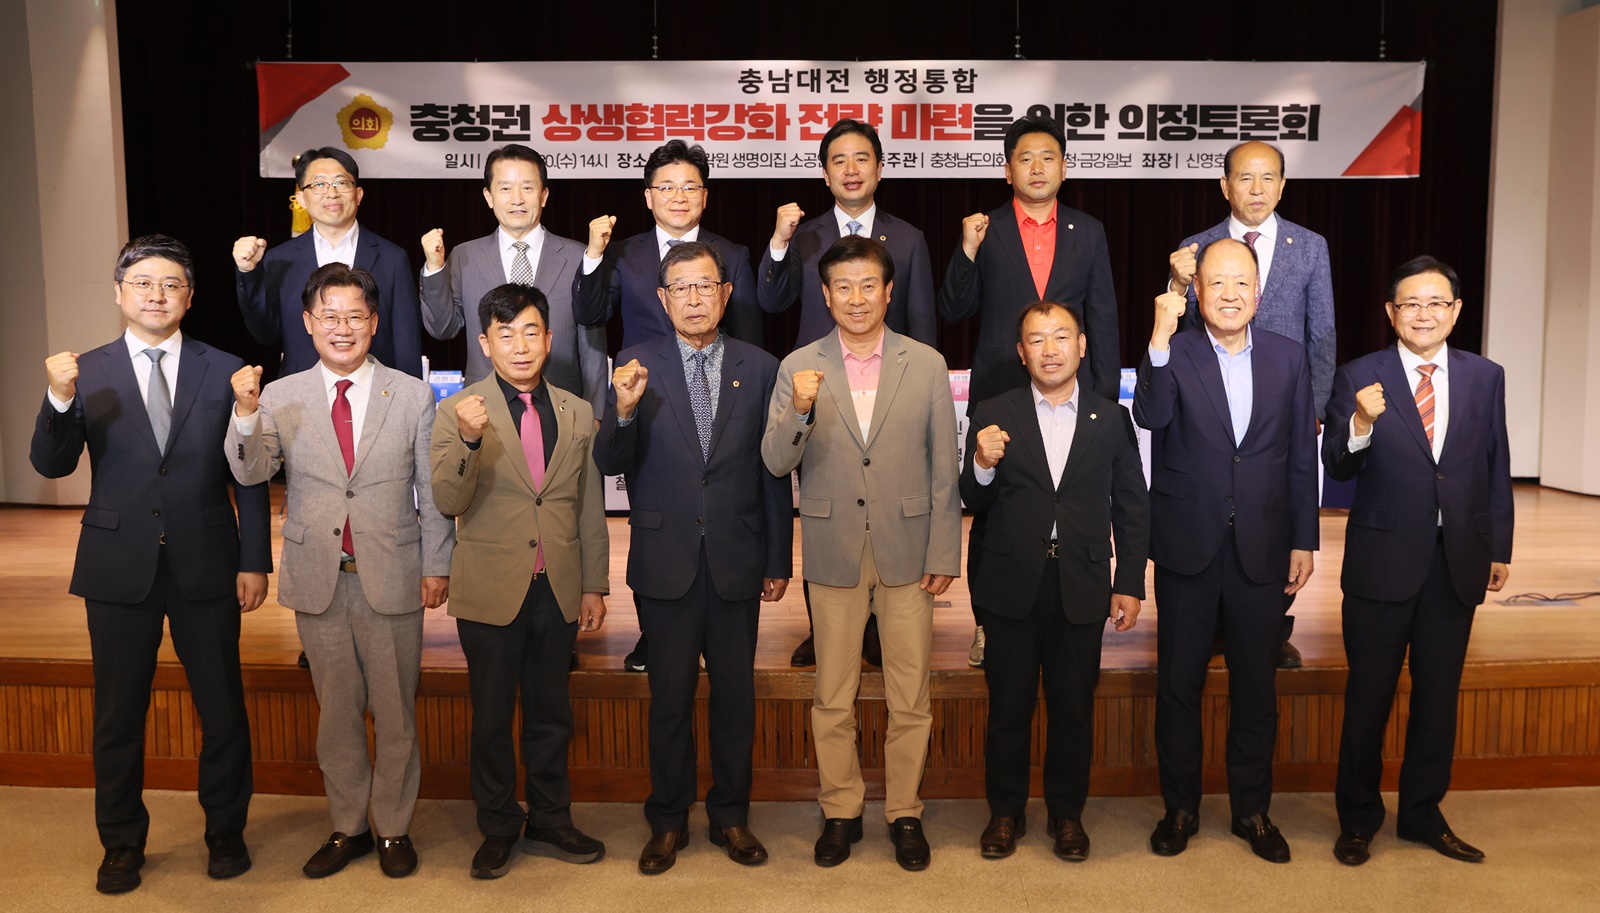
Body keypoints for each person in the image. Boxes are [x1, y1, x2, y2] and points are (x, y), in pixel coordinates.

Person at [30, 234, 272, 894]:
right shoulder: (84, 371)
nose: (156, 295)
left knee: (222, 709)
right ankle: (121, 841)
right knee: (118, 714)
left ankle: (225, 830)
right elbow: (51, 464)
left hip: (208, 560)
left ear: (189, 297)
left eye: (170, 284)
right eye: (143, 283)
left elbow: (248, 474)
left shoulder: (225, 368)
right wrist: (57, 399)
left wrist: (255, 559)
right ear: (119, 293)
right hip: (117, 563)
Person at [225, 263, 454, 879]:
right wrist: (244, 414)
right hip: (318, 577)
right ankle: (349, 827)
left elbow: (432, 491)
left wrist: (438, 563)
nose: (343, 328)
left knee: (396, 713)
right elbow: (251, 471)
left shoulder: (411, 394)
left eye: (356, 315)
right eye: (329, 316)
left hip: (394, 571)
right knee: (337, 714)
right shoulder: (280, 395)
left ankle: (394, 828)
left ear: (374, 322)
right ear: (308, 323)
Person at [762, 235, 961, 872]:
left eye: (868, 285)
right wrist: (799, 410)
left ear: (889, 291)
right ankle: (841, 810)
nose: (856, 298)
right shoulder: (798, 365)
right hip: (833, 548)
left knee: (910, 696)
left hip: (909, 549)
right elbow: (775, 460)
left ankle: (905, 813)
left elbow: (944, 466)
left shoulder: (925, 363)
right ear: (825, 295)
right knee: (833, 694)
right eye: (842, 287)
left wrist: (944, 550)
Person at [592, 241, 792, 874]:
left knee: (735, 698)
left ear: (726, 294)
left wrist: (778, 558)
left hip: (737, 556)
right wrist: (623, 412)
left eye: (706, 286)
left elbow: (773, 471)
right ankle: (668, 821)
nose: (695, 298)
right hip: (666, 558)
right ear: (662, 298)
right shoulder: (635, 363)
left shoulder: (762, 367)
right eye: (681, 288)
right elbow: (609, 462)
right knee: (670, 700)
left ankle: (731, 815)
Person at [1133, 238, 1318, 863]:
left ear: (1259, 293)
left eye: (1242, 283)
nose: (1230, 294)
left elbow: (1300, 456)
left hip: (1263, 547)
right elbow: (1151, 416)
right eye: (1216, 283)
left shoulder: (1289, 357)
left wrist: (1304, 538)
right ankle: (1180, 808)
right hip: (1187, 544)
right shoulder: (1175, 351)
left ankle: (1251, 811)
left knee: (1256, 688)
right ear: (1197, 292)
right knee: (1178, 685)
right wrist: (1159, 338)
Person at [1323, 256, 1513, 866]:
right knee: (1369, 696)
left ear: (1456, 311)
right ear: (1391, 312)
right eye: (1410, 303)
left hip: (1456, 560)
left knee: (1438, 696)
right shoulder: (1359, 374)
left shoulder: (1485, 376)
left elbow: (1495, 464)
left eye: (1436, 303)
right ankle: (1358, 818)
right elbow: (1337, 466)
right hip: (1382, 561)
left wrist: (1499, 545)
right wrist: (1359, 421)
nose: (1423, 314)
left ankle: (1423, 813)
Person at [431, 283, 610, 879]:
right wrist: (468, 439)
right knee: (490, 719)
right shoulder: (458, 411)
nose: (520, 346)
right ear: (485, 344)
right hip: (489, 588)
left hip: (557, 586)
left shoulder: (576, 411)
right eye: (505, 335)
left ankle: (552, 819)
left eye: (531, 332)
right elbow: (447, 499)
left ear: (549, 338)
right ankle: (499, 825)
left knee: (551, 714)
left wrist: (594, 583)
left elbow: (587, 505)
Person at [961, 301, 1149, 862]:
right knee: (1008, 708)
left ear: (1082, 346)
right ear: (1021, 353)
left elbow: (1132, 507)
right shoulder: (993, 412)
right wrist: (982, 463)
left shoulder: (1111, 419)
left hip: (1081, 583)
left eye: (1061, 337)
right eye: (1036, 340)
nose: (1050, 350)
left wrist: (1129, 582)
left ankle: (1067, 815)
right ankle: (1005, 813)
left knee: (1073, 710)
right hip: (1010, 583)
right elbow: (971, 498)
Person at [939, 114, 1121, 668]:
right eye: (1025, 158)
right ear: (1007, 170)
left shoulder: (1089, 231)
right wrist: (967, 250)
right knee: (993, 511)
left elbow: (1103, 316)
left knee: (1069, 504)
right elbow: (954, 308)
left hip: (1071, 393)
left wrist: (1104, 397)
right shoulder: (986, 228)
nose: (1037, 167)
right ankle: (987, 623)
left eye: (1048, 157)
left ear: (1064, 168)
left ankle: (1072, 613)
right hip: (1002, 390)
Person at [574, 138, 761, 671]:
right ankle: (656, 633)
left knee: (716, 508)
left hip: (715, 398)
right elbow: (589, 312)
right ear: (648, 196)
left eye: (689, 187)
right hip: (648, 400)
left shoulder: (731, 254)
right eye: (666, 187)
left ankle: (713, 625)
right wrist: (593, 256)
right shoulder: (623, 252)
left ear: (705, 195)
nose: (678, 196)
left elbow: (747, 335)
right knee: (652, 519)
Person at [758, 117, 936, 669]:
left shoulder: (908, 238)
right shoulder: (805, 234)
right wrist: (780, 244)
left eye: (862, 158)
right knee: (826, 511)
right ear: (824, 174)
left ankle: (879, 631)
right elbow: (770, 301)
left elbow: (922, 324)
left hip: (889, 390)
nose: (851, 169)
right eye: (839, 160)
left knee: (885, 507)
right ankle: (827, 630)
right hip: (820, 392)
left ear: (880, 169)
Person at [1167, 139, 1337, 669]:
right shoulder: (1195, 246)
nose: (1257, 189)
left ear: (1283, 185)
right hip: (1210, 414)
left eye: (1268, 178)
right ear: (1225, 185)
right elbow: (1177, 331)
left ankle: (1270, 628)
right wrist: (1175, 281)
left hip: (1282, 409)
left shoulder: (1310, 246)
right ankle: (1213, 627)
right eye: (1245, 177)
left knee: (1273, 519)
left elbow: (1322, 332)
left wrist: (1315, 410)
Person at [419, 143, 608, 415]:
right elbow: (442, 328)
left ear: (543, 195)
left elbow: (593, 345)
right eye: (505, 188)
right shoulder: (464, 256)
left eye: (527, 188)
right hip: (485, 408)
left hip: (563, 407)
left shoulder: (579, 256)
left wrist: (596, 413)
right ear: (489, 196)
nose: (517, 199)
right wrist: (435, 268)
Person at [233, 146, 423, 379]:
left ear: (358, 194)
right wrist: (249, 272)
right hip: (301, 389)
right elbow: (266, 333)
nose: (331, 193)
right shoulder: (280, 258)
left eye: (341, 183)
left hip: (376, 387)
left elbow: (406, 341)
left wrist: (409, 394)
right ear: (301, 198)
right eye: (319, 184)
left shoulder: (392, 258)